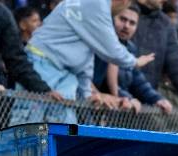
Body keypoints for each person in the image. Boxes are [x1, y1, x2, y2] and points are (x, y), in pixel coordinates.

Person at [14, 0, 153, 123]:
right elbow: (112, 49)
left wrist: (87, 93)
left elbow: (85, 55)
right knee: (28, 127)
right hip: (41, 64)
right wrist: (134, 62)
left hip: (64, 75)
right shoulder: (97, 4)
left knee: (63, 130)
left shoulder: (91, 8)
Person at [95, 5, 172, 114]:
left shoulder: (131, 48)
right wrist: (128, 98)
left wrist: (157, 99)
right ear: (112, 18)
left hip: (119, 109)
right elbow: (104, 82)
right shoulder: (100, 43)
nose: (126, 26)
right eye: (122, 19)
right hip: (98, 106)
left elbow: (138, 80)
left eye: (132, 23)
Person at [133, 0, 178, 112]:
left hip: (149, 101)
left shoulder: (165, 23)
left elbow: (176, 62)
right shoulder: (123, 11)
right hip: (115, 99)